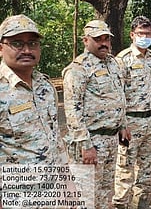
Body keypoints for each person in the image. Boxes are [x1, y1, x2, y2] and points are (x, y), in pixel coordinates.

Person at [62, 20, 129, 209]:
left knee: (105, 192)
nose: (103, 43)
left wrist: (122, 125)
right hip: (91, 142)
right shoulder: (78, 69)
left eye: (106, 38)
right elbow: (72, 110)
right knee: (86, 196)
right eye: (98, 39)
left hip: (111, 140)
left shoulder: (113, 64)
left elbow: (118, 96)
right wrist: (85, 145)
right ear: (86, 40)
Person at [0, 14, 67, 165]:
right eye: (17, 44)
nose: (27, 50)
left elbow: (55, 138)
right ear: (1, 48)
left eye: (33, 43)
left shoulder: (45, 86)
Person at [113, 16, 151, 208]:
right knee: (125, 169)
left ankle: (140, 204)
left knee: (146, 168)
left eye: (148, 33)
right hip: (130, 123)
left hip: (150, 120)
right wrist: (121, 125)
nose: (145, 36)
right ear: (132, 35)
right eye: (141, 33)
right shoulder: (122, 60)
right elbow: (117, 95)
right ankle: (121, 205)